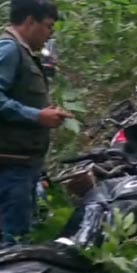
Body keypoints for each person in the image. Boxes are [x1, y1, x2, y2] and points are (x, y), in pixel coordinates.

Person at [0, 0, 72, 247]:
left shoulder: (24, 54)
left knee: (21, 236)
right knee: (13, 242)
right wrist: (36, 116)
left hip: (22, 165)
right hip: (10, 168)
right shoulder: (9, 50)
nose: (50, 34)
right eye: (48, 26)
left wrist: (45, 113)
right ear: (30, 21)